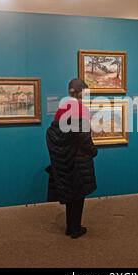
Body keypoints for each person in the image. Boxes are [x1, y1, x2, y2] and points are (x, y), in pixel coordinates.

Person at [46, 79, 98, 239]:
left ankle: (70, 226)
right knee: (79, 196)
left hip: (64, 160)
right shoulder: (80, 109)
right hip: (78, 160)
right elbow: (83, 137)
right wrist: (94, 151)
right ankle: (76, 229)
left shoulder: (62, 109)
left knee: (70, 195)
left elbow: (55, 135)